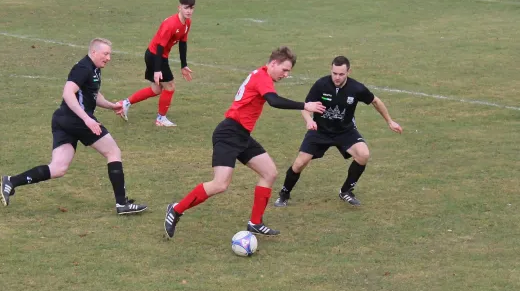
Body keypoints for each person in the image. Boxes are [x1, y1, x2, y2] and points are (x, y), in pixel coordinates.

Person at [163, 46, 326, 239]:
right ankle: (176, 209)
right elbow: (273, 101)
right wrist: (304, 105)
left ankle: (255, 223)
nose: (286, 75)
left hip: (242, 135)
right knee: (220, 184)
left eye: (288, 71)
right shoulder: (262, 78)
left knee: (270, 173)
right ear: (273, 63)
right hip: (228, 133)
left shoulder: (262, 74)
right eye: (284, 70)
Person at [0, 38, 148, 215]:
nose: (108, 58)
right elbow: (68, 93)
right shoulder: (83, 68)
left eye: (110, 54)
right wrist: (87, 119)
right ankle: (121, 203)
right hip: (77, 120)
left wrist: (111, 105)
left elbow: (92, 93)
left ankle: (11, 181)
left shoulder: (94, 68)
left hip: (63, 119)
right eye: (105, 54)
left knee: (58, 168)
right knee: (113, 152)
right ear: (94, 52)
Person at [274, 55, 403, 208]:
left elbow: (375, 101)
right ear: (331, 70)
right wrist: (309, 120)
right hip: (320, 131)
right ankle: (284, 193)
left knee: (363, 154)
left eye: (341, 74)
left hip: (345, 131)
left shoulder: (356, 88)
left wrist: (389, 121)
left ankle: (346, 190)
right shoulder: (321, 84)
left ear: (348, 72)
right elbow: (306, 107)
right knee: (299, 163)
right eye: (334, 73)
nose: (337, 77)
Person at [118, 0, 196, 127]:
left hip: (156, 56)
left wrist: (184, 65)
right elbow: (160, 47)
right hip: (156, 56)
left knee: (156, 89)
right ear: (179, 7)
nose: (189, 11)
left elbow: (183, 43)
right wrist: (157, 69)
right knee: (170, 86)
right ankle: (161, 119)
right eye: (186, 8)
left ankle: (124, 103)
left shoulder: (187, 22)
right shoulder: (170, 24)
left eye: (191, 8)